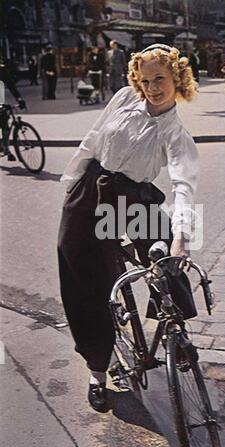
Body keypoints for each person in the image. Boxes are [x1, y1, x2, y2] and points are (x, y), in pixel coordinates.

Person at [57, 44, 199, 412]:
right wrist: (72, 183)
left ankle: (174, 334)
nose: (152, 87)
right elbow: (93, 138)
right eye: (146, 79)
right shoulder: (122, 98)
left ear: (176, 79)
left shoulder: (176, 132)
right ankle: (97, 370)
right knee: (83, 276)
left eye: (160, 79)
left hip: (134, 196)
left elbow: (184, 185)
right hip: (92, 189)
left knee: (168, 258)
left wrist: (182, 238)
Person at [0, 60, 26, 160]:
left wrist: (19, 98)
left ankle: (5, 147)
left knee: (5, 123)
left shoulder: (2, 70)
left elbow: (11, 85)